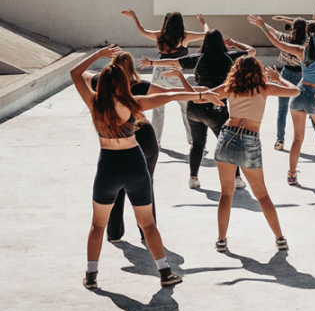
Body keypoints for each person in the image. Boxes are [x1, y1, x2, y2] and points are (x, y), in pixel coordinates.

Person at [71, 45, 222, 290]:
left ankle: (91, 275)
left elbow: (75, 74)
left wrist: (98, 55)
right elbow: (174, 96)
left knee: (98, 225)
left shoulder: (94, 102)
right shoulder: (134, 103)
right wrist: (203, 95)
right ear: (124, 82)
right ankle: (164, 272)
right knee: (148, 224)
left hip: (108, 166)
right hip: (134, 164)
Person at [84, 53, 187, 243]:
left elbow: (83, 74)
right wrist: (193, 92)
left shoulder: (102, 85)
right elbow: (166, 94)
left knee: (116, 188)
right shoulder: (141, 86)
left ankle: (114, 233)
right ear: (132, 68)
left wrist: (101, 68)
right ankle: (147, 233)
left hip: (123, 143)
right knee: (145, 187)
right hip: (146, 138)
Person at [207, 56, 299, 253]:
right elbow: (295, 90)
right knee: (262, 194)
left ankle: (221, 240)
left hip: (227, 137)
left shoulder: (229, 87)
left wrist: (216, 100)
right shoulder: (264, 88)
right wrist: (278, 77)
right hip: (250, 139)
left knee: (226, 194)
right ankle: (280, 238)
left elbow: (206, 94)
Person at [141, 30, 254, 190]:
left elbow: (174, 63)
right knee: (227, 143)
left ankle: (193, 179)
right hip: (216, 108)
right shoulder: (230, 57)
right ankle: (236, 178)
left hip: (195, 107)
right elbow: (252, 51)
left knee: (197, 144)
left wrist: (152, 63)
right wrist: (235, 43)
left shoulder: (198, 57)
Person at [249, 16, 315, 186]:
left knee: (297, 139)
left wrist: (263, 26)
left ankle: (291, 175)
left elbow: (277, 43)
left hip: (299, 93)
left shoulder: (301, 51)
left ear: (307, 34)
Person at [119, 9, 209, 144]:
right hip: (175, 73)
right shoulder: (185, 37)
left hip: (158, 73)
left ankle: (156, 140)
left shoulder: (159, 35)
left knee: (158, 109)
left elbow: (142, 31)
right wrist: (204, 23)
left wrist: (134, 17)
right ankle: (192, 139)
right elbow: (207, 34)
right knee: (186, 107)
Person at [258, 17, 315, 152]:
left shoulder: (285, 39)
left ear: (292, 28)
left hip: (286, 74)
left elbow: (273, 32)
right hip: (302, 76)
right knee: (311, 109)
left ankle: (280, 140)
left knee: (282, 110)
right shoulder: (308, 42)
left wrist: (262, 24)